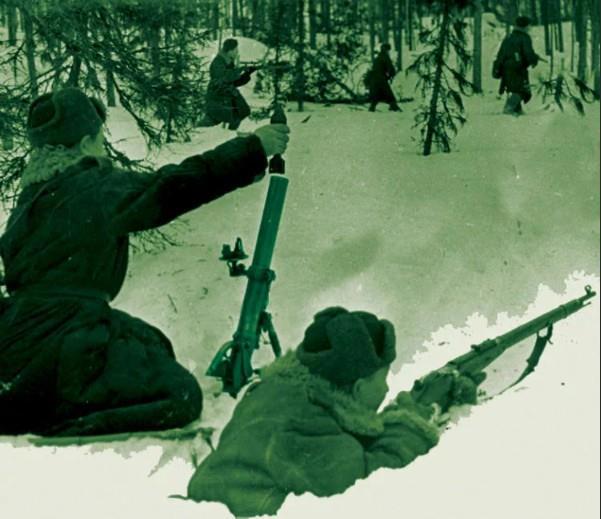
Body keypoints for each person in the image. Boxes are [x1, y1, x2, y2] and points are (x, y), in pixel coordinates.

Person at [0, 87, 289, 437]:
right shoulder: (91, 185)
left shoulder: (31, 199)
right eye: (100, 139)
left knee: (151, 345)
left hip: (18, 339)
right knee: (179, 394)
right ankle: (58, 430)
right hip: (70, 340)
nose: (103, 147)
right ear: (87, 142)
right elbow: (172, 186)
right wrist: (253, 150)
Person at [187, 306, 477, 517]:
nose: (388, 388)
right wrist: (413, 421)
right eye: (382, 379)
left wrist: (400, 415)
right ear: (358, 388)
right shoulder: (305, 430)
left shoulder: (282, 393)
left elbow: (342, 445)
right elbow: (375, 486)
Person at [202, 38, 258, 131]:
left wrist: (247, 74)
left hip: (226, 96)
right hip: (217, 97)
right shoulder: (218, 62)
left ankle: (230, 133)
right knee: (210, 121)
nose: (237, 52)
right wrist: (239, 70)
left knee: (240, 113)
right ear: (229, 51)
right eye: (235, 49)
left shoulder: (228, 62)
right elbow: (225, 77)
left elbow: (234, 82)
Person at [493, 16, 540, 116]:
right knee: (522, 90)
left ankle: (517, 109)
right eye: (529, 25)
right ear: (525, 26)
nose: (530, 27)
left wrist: (499, 68)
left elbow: (501, 54)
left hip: (506, 68)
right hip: (518, 68)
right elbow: (528, 53)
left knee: (515, 88)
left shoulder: (509, 37)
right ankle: (509, 107)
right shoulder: (525, 37)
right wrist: (534, 59)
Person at [366, 43, 401, 113]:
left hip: (374, 79)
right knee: (388, 94)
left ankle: (372, 107)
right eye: (388, 50)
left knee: (376, 94)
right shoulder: (385, 57)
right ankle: (393, 106)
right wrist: (391, 74)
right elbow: (390, 68)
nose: (388, 51)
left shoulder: (378, 57)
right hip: (381, 79)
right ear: (386, 50)